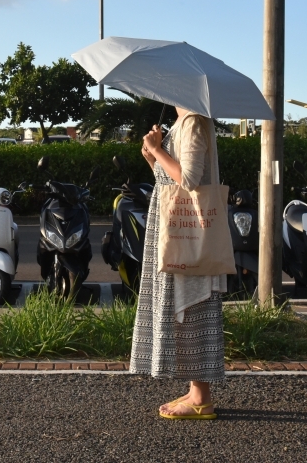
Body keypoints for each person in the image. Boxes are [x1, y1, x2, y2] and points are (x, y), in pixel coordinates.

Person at [130, 106, 226, 420]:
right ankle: (196, 389)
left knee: (191, 303)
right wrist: (152, 157)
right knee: (182, 305)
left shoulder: (194, 121)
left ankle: (201, 397)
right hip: (174, 225)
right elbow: (169, 178)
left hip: (186, 229)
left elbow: (189, 179)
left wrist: (158, 149)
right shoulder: (182, 122)